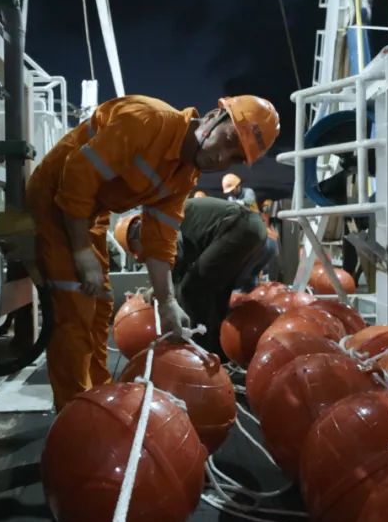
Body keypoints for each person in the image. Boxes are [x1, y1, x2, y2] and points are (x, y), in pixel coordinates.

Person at [26, 94, 280, 410]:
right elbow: (77, 175)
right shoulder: (148, 121)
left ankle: (97, 399)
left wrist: (167, 301)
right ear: (215, 116)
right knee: (76, 307)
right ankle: (73, 411)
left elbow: (160, 240)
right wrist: (80, 251)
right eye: (228, 140)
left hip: (89, 210)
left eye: (235, 158)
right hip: (53, 197)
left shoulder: (185, 175)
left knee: (101, 304)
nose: (221, 157)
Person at [114, 197, 274, 355]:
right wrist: (160, 287)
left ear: (133, 238)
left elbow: (177, 256)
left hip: (238, 228)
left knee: (191, 289)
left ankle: (197, 353)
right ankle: (220, 354)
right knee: (216, 292)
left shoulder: (155, 226)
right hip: (251, 228)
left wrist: (163, 292)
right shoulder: (159, 220)